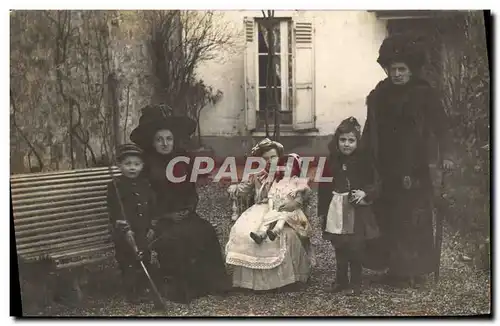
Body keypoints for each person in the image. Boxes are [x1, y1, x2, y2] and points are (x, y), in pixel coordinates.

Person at [360, 33, 455, 287]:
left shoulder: (424, 94)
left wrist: (446, 155)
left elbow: (442, 126)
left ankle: (414, 270)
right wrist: (363, 155)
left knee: (412, 219)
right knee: (387, 217)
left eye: (402, 69)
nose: (397, 74)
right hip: (386, 167)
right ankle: (394, 269)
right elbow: (370, 129)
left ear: (411, 70)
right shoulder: (380, 94)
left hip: (414, 166)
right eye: (393, 69)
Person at [129, 104, 231, 304]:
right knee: (175, 238)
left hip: (183, 214)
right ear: (153, 142)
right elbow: (144, 198)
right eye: (159, 140)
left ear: (174, 140)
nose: (165, 143)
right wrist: (165, 216)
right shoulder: (146, 164)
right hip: (159, 218)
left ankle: (212, 283)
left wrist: (188, 209)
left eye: (168, 139)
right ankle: (181, 287)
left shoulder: (182, 159)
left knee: (205, 230)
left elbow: (190, 190)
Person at [226, 139, 313, 291]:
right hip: (262, 208)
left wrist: (296, 201)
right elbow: (243, 189)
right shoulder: (258, 175)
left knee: (285, 235)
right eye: (265, 159)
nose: (269, 161)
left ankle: (285, 279)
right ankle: (250, 281)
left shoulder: (288, 174)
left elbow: (303, 193)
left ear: (280, 157)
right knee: (244, 231)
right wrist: (235, 188)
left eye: (273, 157)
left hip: (283, 209)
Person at [318, 117, 380, 295]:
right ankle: (341, 280)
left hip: (356, 209)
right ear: (337, 141)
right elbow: (323, 188)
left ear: (357, 142)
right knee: (339, 245)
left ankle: (356, 283)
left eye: (351, 140)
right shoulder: (331, 161)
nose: (347, 144)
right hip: (336, 208)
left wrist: (365, 193)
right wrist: (323, 211)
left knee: (355, 245)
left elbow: (375, 182)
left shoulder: (364, 161)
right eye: (343, 140)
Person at [106, 143, 156, 303]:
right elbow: (114, 210)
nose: (132, 168)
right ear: (119, 165)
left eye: (136, 164)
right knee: (127, 261)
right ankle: (131, 291)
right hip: (125, 231)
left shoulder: (145, 184)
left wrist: (152, 226)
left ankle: (143, 287)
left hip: (143, 230)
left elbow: (151, 205)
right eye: (127, 164)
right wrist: (123, 227)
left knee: (144, 257)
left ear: (142, 166)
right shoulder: (115, 186)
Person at [249, 154, 312, 244]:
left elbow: (306, 189)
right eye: (285, 166)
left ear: (295, 169)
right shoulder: (278, 181)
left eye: (290, 166)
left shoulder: (296, 180)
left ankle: (276, 231)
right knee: (268, 218)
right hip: (277, 207)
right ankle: (261, 233)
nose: (286, 168)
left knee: (284, 216)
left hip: (292, 210)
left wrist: (296, 190)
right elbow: (271, 194)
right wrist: (271, 208)